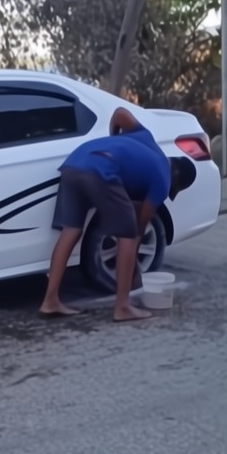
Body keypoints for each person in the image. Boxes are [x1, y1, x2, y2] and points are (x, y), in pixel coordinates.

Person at [40, 107, 197, 321]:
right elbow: (138, 228)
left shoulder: (146, 138)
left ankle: (50, 300)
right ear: (176, 175)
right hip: (102, 169)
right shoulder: (163, 179)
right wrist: (135, 273)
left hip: (75, 162)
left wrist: (114, 142)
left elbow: (119, 113)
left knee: (72, 230)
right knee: (129, 235)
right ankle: (122, 306)